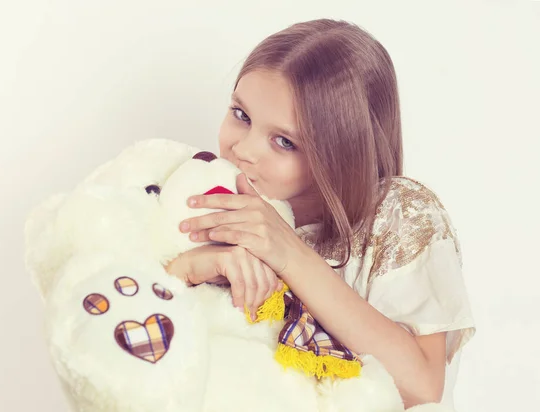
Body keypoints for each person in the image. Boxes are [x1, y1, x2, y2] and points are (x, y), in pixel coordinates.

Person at [164, 18, 475, 409]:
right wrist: (188, 269)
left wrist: (289, 254)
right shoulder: (201, 196)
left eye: (284, 141)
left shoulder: (398, 214)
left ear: (343, 153)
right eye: (241, 115)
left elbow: (422, 386)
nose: (243, 149)